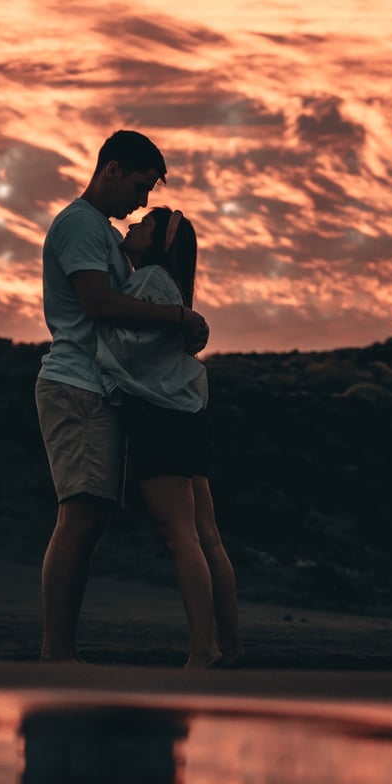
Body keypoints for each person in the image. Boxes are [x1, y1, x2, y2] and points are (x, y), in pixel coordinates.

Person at [35, 130, 209, 662]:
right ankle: (57, 653)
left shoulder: (104, 235)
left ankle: (60, 651)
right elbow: (99, 304)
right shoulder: (81, 226)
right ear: (110, 170)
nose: (142, 201)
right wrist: (180, 317)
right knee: (81, 516)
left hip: (95, 386)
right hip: (77, 384)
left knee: (90, 518)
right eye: (138, 185)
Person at [96, 206, 245, 669]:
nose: (132, 225)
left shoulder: (149, 280)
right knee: (207, 537)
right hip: (186, 414)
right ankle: (231, 645)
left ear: (163, 239)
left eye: (144, 224)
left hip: (158, 415)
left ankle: (204, 649)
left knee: (180, 535)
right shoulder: (169, 285)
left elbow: (128, 349)